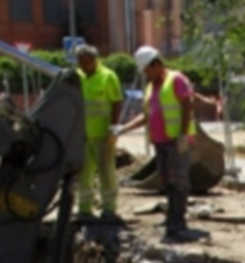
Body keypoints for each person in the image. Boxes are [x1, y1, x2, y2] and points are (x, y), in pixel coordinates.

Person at [113, 46, 208, 243]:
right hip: (161, 141)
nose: (146, 75)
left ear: (156, 64)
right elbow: (147, 116)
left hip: (176, 141)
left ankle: (179, 224)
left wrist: (183, 135)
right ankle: (172, 220)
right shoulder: (151, 87)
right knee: (166, 181)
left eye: (147, 70)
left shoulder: (176, 79)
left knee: (178, 180)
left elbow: (187, 104)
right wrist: (123, 129)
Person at [75, 44, 123, 222]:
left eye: (86, 62)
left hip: (103, 134)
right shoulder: (78, 77)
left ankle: (109, 208)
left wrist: (113, 128)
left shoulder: (108, 77)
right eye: (80, 62)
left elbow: (116, 103)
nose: (82, 66)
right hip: (84, 135)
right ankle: (84, 207)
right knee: (84, 173)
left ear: (94, 60)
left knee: (106, 171)